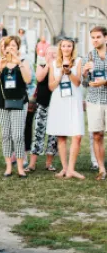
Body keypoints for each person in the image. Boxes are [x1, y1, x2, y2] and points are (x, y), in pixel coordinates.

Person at [0, 35, 31, 177]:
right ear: (3, 48)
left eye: (13, 45)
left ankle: (20, 166)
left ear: (18, 47)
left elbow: (28, 79)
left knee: (18, 135)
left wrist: (19, 62)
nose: (10, 48)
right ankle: (8, 166)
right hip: (1, 103)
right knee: (6, 134)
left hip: (19, 102)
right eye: (8, 45)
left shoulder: (23, 61)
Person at [46, 38, 84, 179]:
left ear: (72, 48)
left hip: (74, 99)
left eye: (69, 46)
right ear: (60, 48)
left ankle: (72, 169)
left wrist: (69, 73)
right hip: (59, 99)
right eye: (64, 46)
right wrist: (61, 73)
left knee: (77, 135)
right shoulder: (54, 63)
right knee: (61, 135)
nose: (66, 48)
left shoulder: (79, 61)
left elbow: (78, 82)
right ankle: (65, 168)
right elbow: (51, 86)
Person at [27, 46, 58, 172]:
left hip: (56, 104)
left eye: (54, 53)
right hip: (42, 103)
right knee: (38, 132)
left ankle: (49, 163)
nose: (52, 55)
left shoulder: (60, 66)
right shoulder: (42, 64)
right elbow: (39, 78)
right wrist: (48, 65)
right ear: (45, 54)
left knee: (53, 135)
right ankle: (32, 164)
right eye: (49, 53)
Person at [82, 26, 107, 180]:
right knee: (97, 135)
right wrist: (84, 74)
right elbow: (84, 83)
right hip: (93, 100)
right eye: (93, 37)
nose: (95, 40)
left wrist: (105, 82)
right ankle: (102, 169)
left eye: (98, 37)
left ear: (105, 38)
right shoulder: (89, 57)